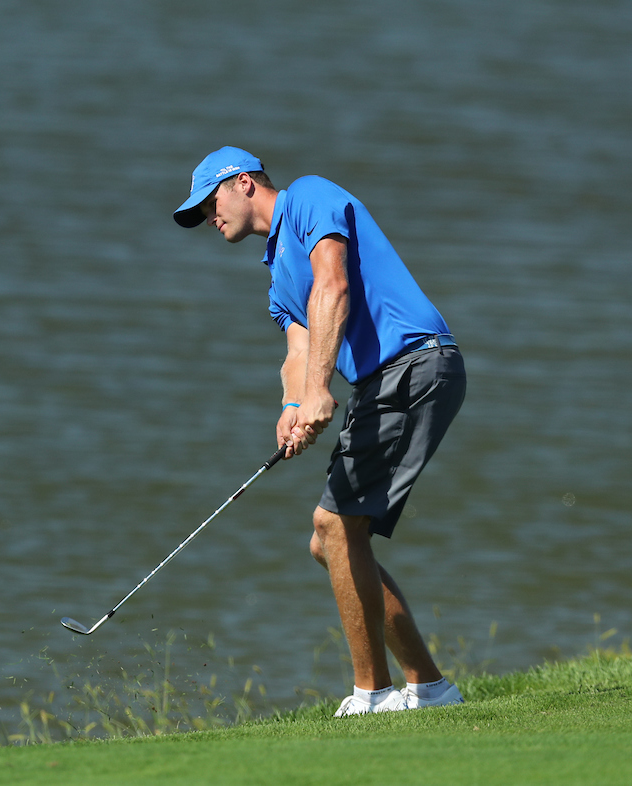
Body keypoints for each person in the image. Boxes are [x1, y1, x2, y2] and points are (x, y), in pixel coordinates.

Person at [173, 147, 468, 716]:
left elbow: (332, 286)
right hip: (381, 381)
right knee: (327, 543)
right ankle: (429, 688)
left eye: (211, 201)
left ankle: (372, 695)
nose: (210, 216)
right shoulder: (276, 274)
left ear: (243, 183)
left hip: (415, 363)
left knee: (334, 524)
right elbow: (298, 349)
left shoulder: (308, 198)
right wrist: (292, 402)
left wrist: (318, 391)